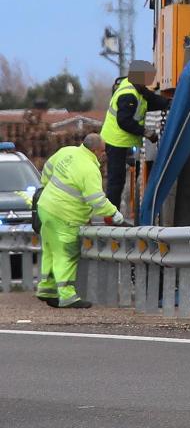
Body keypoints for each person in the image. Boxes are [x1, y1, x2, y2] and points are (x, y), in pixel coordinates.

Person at [35, 134, 123, 308]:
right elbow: (97, 201)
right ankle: (67, 295)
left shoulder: (66, 151)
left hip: (45, 207)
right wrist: (114, 213)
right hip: (65, 214)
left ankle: (47, 288)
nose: (104, 155)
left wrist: (47, 186)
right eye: (103, 151)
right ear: (96, 150)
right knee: (66, 253)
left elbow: (47, 169)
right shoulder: (89, 169)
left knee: (51, 249)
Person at [100, 60, 170, 208]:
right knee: (116, 179)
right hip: (116, 141)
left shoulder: (137, 88)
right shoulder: (128, 95)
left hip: (125, 141)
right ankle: (111, 216)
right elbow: (124, 122)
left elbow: (152, 100)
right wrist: (146, 133)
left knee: (120, 178)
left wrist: (170, 103)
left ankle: (113, 215)